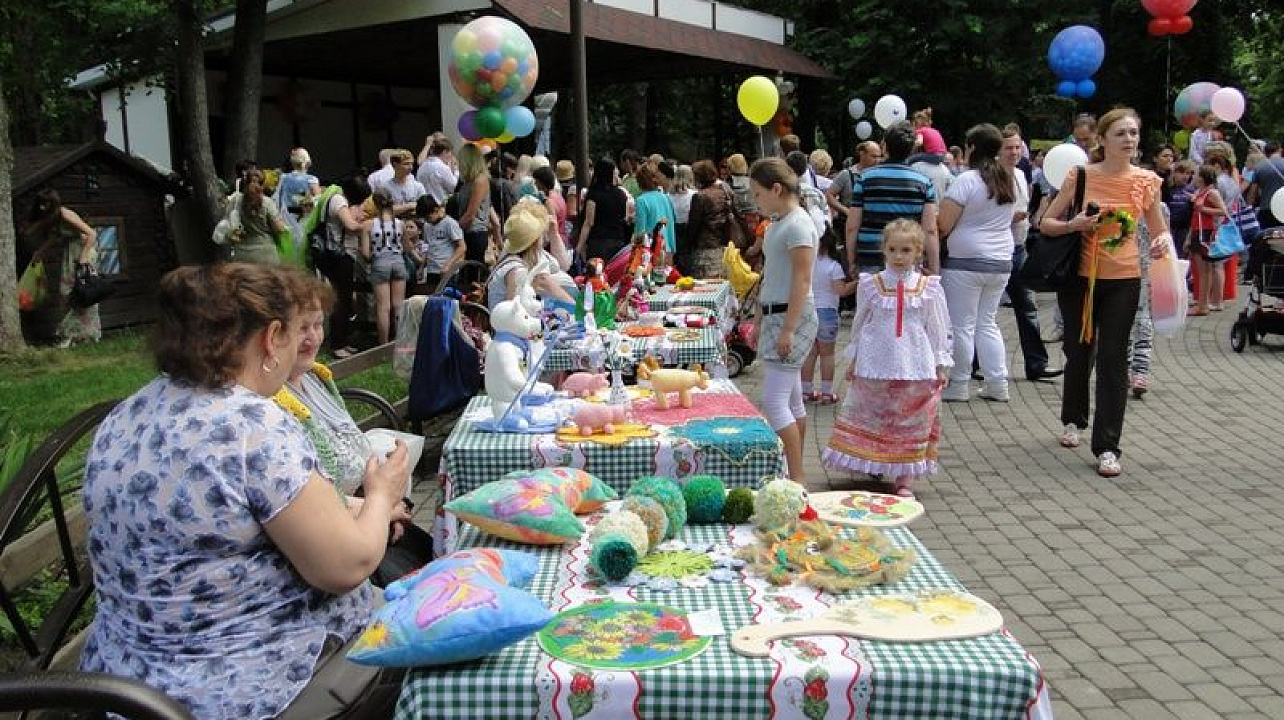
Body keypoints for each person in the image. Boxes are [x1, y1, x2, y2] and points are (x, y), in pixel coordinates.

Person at [79, 263, 410, 720]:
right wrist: (381, 495)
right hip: (243, 687)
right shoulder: (252, 425)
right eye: (297, 332)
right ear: (271, 337)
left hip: (126, 684)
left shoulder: (127, 415)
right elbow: (347, 564)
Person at [1038, 108, 1171, 478]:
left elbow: (1159, 229)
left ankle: (1108, 446)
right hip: (1080, 278)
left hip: (1125, 278)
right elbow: (1045, 222)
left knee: (1114, 359)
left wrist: (1161, 245)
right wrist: (1073, 225)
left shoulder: (1147, 181)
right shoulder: (1080, 176)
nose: (1129, 139)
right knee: (1079, 351)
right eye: (1121, 133)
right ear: (1102, 139)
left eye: (1133, 133)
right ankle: (1073, 419)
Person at [822, 219, 951, 498]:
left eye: (906, 250)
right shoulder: (872, 284)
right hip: (876, 360)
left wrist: (941, 364)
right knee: (873, 414)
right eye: (892, 249)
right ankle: (874, 461)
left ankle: (905, 476)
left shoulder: (928, 287)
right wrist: (854, 359)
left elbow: (938, 328)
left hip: (915, 362)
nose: (898, 256)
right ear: (884, 251)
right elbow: (859, 323)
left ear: (918, 252)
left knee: (912, 420)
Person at [937, 124, 1018, 403]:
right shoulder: (1007, 179)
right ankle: (998, 383)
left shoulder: (966, 180)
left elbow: (943, 224)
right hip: (1001, 261)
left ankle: (959, 384)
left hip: (965, 262)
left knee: (962, 325)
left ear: (971, 148)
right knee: (987, 323)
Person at [750, 157, 818, 482]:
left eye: (758, 194)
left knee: (775, 403)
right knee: (791, 401)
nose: (756, 201)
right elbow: (774, 275)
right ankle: (793, 472)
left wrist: (788, 329)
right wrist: (761, 318)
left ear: (776, 189)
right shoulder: (781, 222)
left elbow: (802, 281)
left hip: (792, 317)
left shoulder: (798, 224)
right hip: (776, 313)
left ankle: (797, 478)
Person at [999, 127, 1061, 383]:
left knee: (1028, 308)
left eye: (1017, 147)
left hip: (1019, 247)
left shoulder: (1021, 175)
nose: (1014, 152)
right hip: (998, 251)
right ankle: (974, 363)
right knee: (987, 313)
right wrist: (1008, 218)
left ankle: (1036, 364)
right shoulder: (990, 177)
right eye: (1008, 148)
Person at [847, 120, 941, 275]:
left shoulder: (864, 179)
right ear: (912, 149)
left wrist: (851, 261)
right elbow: (930, 230)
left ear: (885, 146)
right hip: (907, 258)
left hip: (869, 256)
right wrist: (934, 268)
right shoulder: (924, 183)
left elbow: (852, 226)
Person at [21, 188, 101, 347]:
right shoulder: (53, 218)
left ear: (54, 203)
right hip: (71, 253)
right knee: (67, 293)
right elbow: (55, 237)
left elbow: (91, 234)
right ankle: (75, 335)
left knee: (80, 292)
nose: (43, 208)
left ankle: (79, 334)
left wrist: (83, 258)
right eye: (41, 204)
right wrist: (40, 252)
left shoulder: (64, 213)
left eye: (47, 204)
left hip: (83, 251)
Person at [488, 198, 575, 312]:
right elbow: (514, 313)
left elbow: (562, 266)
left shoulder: (521, 257)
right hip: (508, 326)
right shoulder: (516, 269)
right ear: (535, 241)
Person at [801, 229, 855, 404]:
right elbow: (841, 290)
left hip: (808, 310)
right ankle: (826, 392)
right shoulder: (834, 266)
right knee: (827, 354)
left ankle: (806, 390)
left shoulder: (807, 263)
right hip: (827, 313)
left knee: (810, 353)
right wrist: (858, 282)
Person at [360, 191, 411, 344]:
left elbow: (365, 253)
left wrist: (372, 257)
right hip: (398, 262)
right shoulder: (400, 224)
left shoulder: (368, 225)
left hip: (380, 264)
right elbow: (407, 248)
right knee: (398, 305)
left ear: (375, 204)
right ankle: (399, 340)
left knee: (383, 307)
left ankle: (383, 345)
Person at [217, 168, 289, 265]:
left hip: (241, 255)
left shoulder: (236, 201)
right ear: (263, 185)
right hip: (266, 255)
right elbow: (279, 229)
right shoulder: (268, 203)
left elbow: (226, 222)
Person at [684, 160, 741, 278]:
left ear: (699, 177)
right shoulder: (725, 192)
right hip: (725, 247)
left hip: (705, 249)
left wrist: (687, 245)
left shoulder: (700, 197)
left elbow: (693, 225)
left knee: (705, 289)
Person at [1185, 163, 1229, 315]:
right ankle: (1203, 303)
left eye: (1196, 174)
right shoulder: (1200, 191)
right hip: (1198, 231)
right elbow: (1194, 217)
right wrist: (1189, 238)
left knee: (1205, 270)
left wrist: (1203, 208)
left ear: (1203, 177)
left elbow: (1223, 211)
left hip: (1206, 232)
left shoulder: (1212, 193)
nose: (1194, 177)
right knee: (1202, 270)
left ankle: (1203, 305)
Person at [576, 157, 632, 266]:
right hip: (618, 242)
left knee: (596, 277)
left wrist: (579, 246)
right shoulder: (621, 195)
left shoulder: (594, 195)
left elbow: (589, 222)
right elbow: (625, 218)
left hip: (598, 243)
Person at [412, 195, 464, 294]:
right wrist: (422, 267)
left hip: (446, 270)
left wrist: (448, 265)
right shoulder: (427, 226)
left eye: (428, 217)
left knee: (447, 299)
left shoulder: (450, 223)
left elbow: (461, 247)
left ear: (436, 210)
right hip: (432, 269)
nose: (427, 220)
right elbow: (429, 248)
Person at [456, 143, 497, 265]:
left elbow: (471, 213)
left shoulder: (480, 181)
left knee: (474, 272)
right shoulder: (468, 181)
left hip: (475, 232)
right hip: (467, 231)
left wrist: (454, 228)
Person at [632, 165, 678, 260]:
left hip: (651, 253)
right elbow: (672, 223)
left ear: (639, 182)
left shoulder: (641, 200)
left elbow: (640, 232)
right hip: (668, 250)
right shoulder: (666, 197)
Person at [532, 166, 573, 271]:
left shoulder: (549, 202)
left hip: (554, 244)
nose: (535, 185)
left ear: (542, 183)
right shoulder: (558, 196)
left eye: (536, 182)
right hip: (562, 239)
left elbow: (551, 225)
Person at [416, 135, 458, 205]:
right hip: (439, 206)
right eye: (450, 152)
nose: (451, 156)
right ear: (445, 152)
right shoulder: (442, 167)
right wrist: (456, 171)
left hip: (425, 205)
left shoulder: (423, 165)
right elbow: (454, 187)